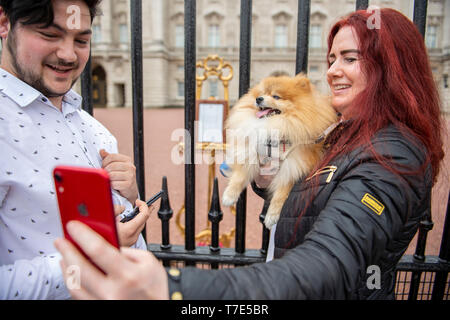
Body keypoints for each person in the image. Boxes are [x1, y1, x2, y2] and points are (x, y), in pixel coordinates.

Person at [55, 8, 445, 300]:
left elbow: (329, 265)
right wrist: (267, 181)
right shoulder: (352, 131)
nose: (332, 72)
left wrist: (172, 288)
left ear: (390, 66)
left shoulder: (392, 155)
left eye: (350, 58)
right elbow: (316, 199)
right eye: (331, 59)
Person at [0, 0, 150, 300]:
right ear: (4, 23)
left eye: (81, 40)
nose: (69, 55)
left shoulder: (91, 127)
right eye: (49, 34)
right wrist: (97, 255)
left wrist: (129, 198)